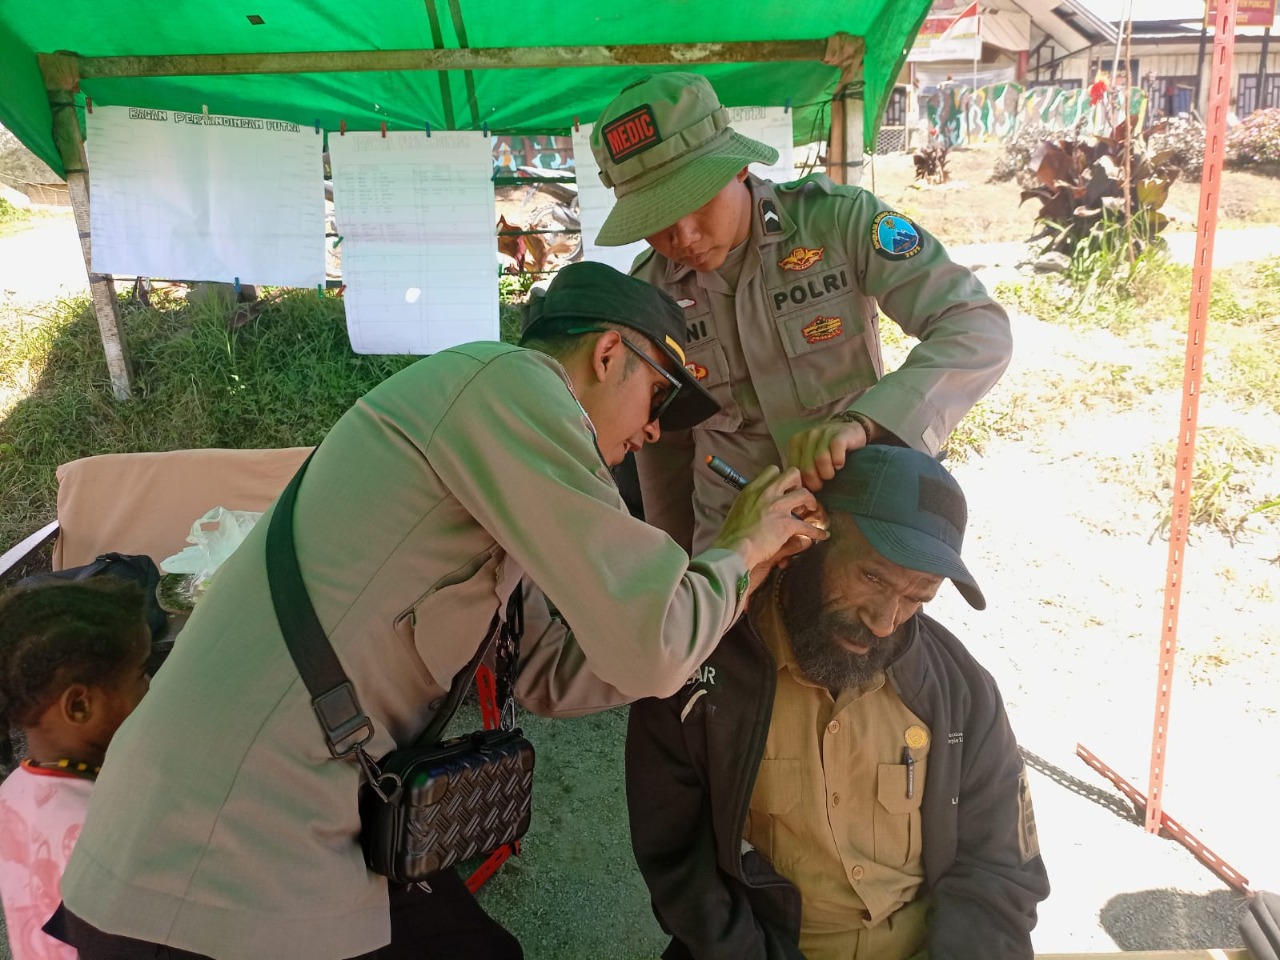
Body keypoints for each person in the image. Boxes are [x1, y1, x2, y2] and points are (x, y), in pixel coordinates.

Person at [52, 261, 824, 960]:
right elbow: (651, 646)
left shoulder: (489, 450)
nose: (654, 430)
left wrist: (743, 579)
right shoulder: (511, 386)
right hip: (217, 855)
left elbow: (555, 673)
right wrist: (741, 547)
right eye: (659, 396)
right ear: (609, 354)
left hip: (290, 820)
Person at [626, 445, 1050, 960]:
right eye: (872, 577)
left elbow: (1003, 872)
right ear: (808, 540)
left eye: (918, 597)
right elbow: (681, 872)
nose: (885, 620)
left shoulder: (959, 689)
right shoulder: (700, 676)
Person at [590, 72, 1013, 552]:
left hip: (856, 522)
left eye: (696, 200)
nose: (683, 236)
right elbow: (664, 447)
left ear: (739, 167)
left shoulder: (838, 222)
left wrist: (866, 423)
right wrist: (681, 573)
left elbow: (975, 326)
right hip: (735, 545)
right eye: (656, 220)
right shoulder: (649, 292)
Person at [0, 579, 153, 960]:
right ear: (80, 706)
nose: (153, 686)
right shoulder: (104, 829)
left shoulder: (12, 791)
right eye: (141, 675)